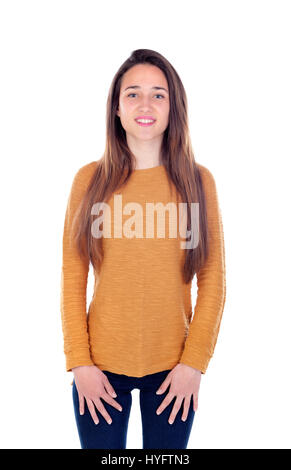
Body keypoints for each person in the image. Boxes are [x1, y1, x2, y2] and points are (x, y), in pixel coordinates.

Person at [60, 49, 226, 449]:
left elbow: (213, 281)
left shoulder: (197, 182)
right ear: (117, 108)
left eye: (158, 94)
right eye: (133, 94)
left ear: (173, 108)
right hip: (99, 370)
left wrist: (193, 364)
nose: (145, 104)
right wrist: (79, 362)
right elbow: (72, 278)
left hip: (173, 370)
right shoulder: (90, 179)